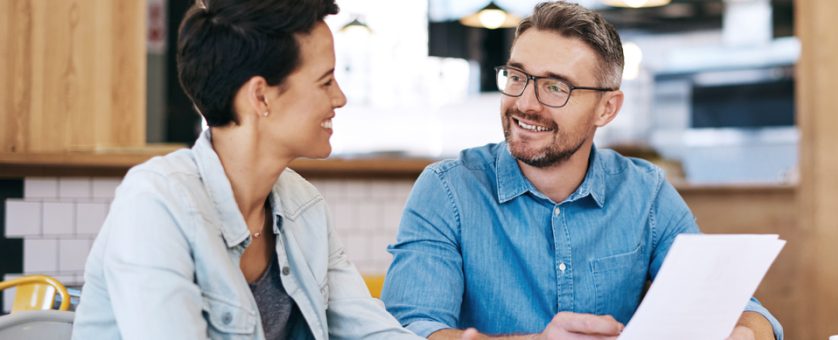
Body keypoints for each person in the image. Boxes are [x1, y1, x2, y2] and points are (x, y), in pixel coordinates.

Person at [380, 2, 783, 340]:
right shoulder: (448, 190)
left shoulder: (646, 195)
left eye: (555, 87)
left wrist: (743, 332)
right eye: (517, 77)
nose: (525, 103)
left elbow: (744, 311)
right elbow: (411, 330)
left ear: (607, 108)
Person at [71, 0, 420, 339]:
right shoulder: (156, 203)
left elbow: (369, 329)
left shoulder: (304, 207)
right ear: (261, 97)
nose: (340, 98)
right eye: (326, 81)